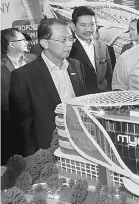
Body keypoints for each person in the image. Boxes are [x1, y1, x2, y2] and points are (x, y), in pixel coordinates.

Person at [9, 18, 87, 157]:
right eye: (63, 40)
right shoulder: (23, 76)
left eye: (71, 39)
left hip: (80, 144)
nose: (69, 44)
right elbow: (23, 126)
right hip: (46, 150)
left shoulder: (76, 66)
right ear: (45, 43)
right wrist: (32, 160)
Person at [1, 28, 36, 164]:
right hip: (9, 119)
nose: (27, 42)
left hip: (33, 116)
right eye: (22, 39)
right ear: (12, 44)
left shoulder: (33, 59)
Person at [70, 6, 113, 94]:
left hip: (104, 98)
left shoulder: (102, 47)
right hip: (82, 100)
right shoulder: (69, 49)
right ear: (73, 25)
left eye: (92, 24)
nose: (88, 29)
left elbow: (109, 76)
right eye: (83, 25)